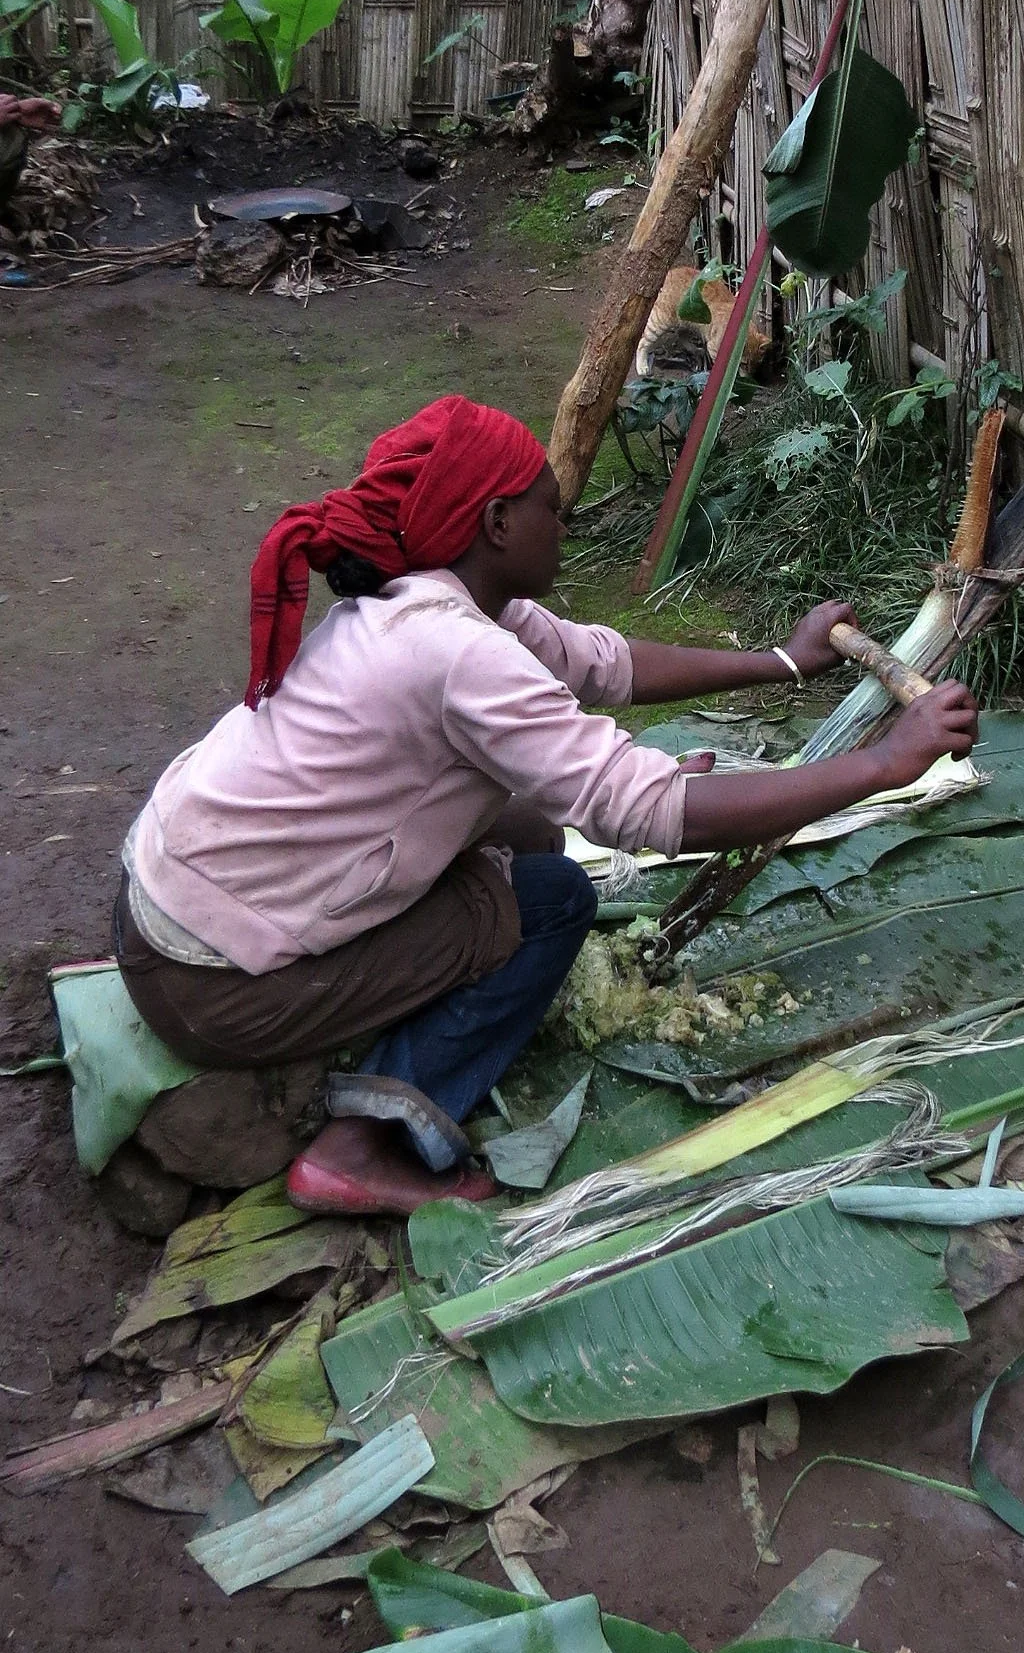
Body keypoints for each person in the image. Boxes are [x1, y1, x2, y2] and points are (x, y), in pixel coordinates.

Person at [116, 396, 979, 1214]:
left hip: (163, 907)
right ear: (497, 524)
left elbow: (604, 663)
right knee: (551, 902)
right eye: (552, 511)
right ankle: (358, 1147)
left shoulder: (440, 599)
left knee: (529, 832)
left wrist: (780, 664)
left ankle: (365, 1036)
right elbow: (648, 809)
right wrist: (884, 766)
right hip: (208, 985)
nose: (563, 528)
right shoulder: (455, 651)